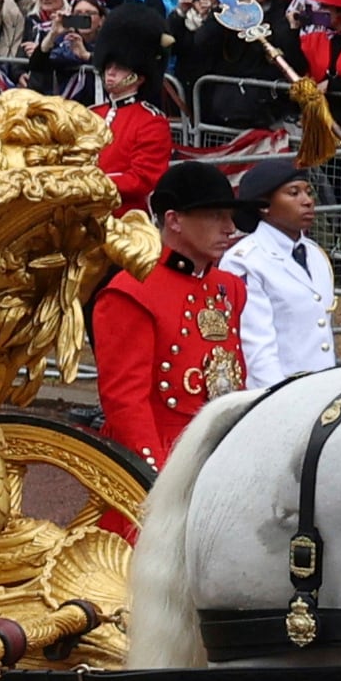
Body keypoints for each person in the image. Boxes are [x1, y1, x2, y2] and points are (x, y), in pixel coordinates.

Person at [91, 160, 248, 468]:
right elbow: (126, 403)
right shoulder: (132, 291)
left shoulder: (229, 286)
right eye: (216, 216)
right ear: (174, 220)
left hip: (220, 451)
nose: (229, 228)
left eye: (230, 217)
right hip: (166, 454)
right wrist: (154, 474)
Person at [220, 158, 340, 386]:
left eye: (308, 192)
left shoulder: (315, 255)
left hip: (324, 390)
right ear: (264, 205)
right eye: (293, 193)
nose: (307, 201)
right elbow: (256, 347)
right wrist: (278, 402)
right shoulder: (246, 261)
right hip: (278, 393)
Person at [87, 7, 176, 208]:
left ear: (139, 76)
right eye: (108, 67)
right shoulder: (93, 113)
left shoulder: (151, 122)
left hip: (124, 215)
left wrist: (92, 184)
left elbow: (142, 179)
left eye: (119, 68)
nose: (110, 74)